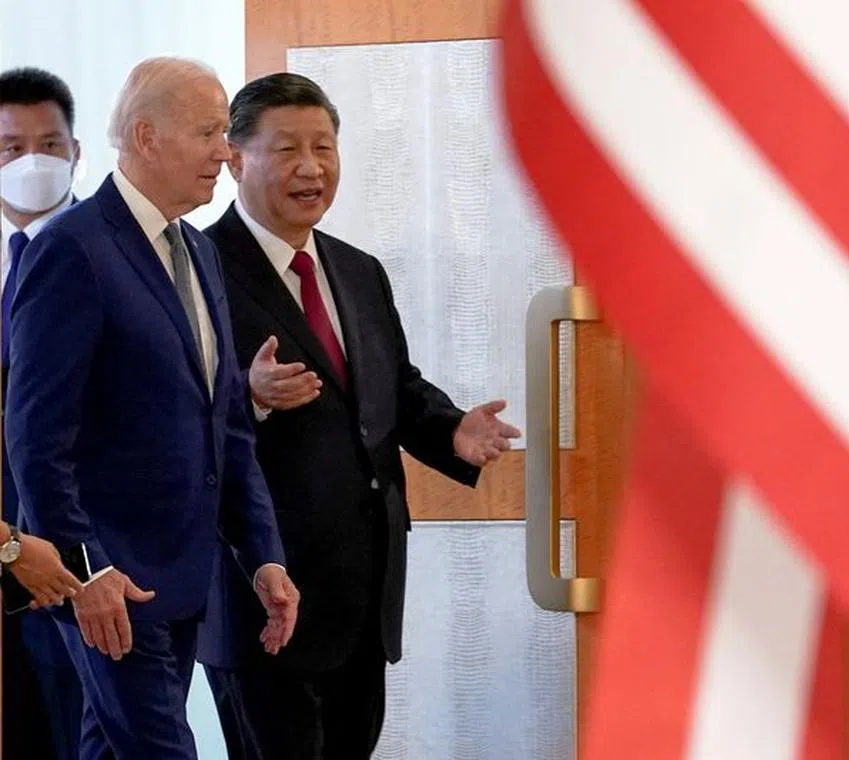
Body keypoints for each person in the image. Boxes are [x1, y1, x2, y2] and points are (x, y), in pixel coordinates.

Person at [198, 72, 521, 760]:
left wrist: (450, 429)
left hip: (361, 595)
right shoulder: (198, 268)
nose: (311, 167)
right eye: (287, 149)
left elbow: (390, 387)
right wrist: (247, 395)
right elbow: (166, 415)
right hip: (261, 595)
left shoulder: (357, 269)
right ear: (235, 160)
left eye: (323, 147)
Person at [4, 57, 301, 760]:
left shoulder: (197, 249)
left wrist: (263, 555)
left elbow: (226, 424)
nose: (225, 152)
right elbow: (35, 437)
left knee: (109, 747)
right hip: (111, 582)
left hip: (183, 579)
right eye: (208, 132)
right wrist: (86, 570)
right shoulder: (71, 250)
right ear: (146, 136)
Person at [0, 65, 86, 760]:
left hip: (88, 565)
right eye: (12, 147)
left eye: (49, 145)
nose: (32, 161)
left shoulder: (116, 252)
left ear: (76, 152)